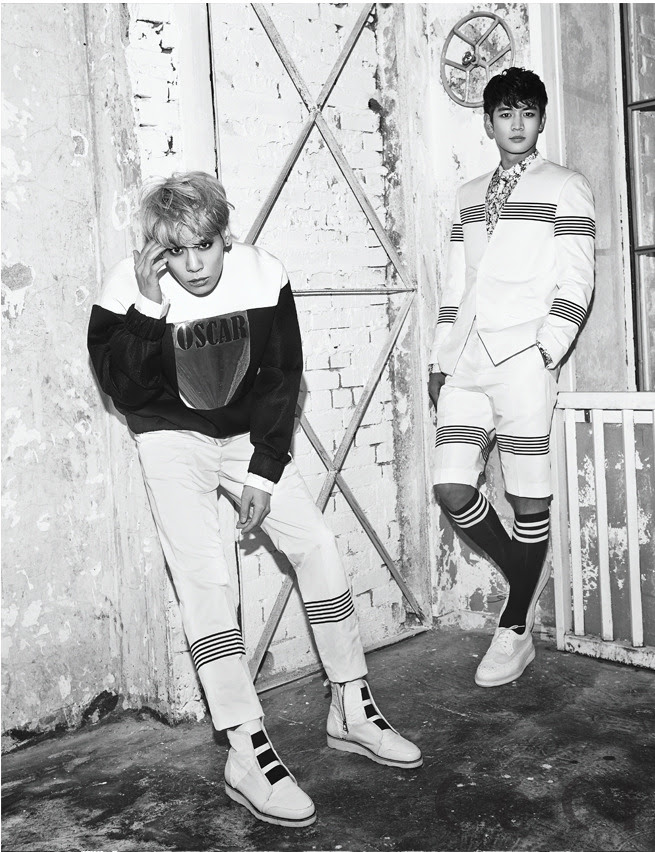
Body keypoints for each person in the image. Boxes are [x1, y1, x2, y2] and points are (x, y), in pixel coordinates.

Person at [87, 171, 421, 829]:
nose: (192, 264)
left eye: (204, 246)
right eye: (175, 251)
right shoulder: (126, 286)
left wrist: (263, 475)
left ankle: (350, 704)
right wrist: (149, 307)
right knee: (204, 579)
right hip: (169, 437)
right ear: (156, 248)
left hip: (243, 435)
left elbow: (280, 377)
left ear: (224, 236)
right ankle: (245, 747)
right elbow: (123, 390)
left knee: (316, 543)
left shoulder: (263, 274)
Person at [428, 68, 595, 688]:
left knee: (528, 495)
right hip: (468, 359)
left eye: (527, 113)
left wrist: (546, 349)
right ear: (489, 122)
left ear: (541, 120)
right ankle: (525, 577)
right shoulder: (469, 193)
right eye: (505, 114)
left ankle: (515, 623)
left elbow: (577, 277)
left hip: (524, 358)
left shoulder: (565, 186)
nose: (517, 124)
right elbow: (455, 281)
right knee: (451, 487)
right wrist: (441, 358)